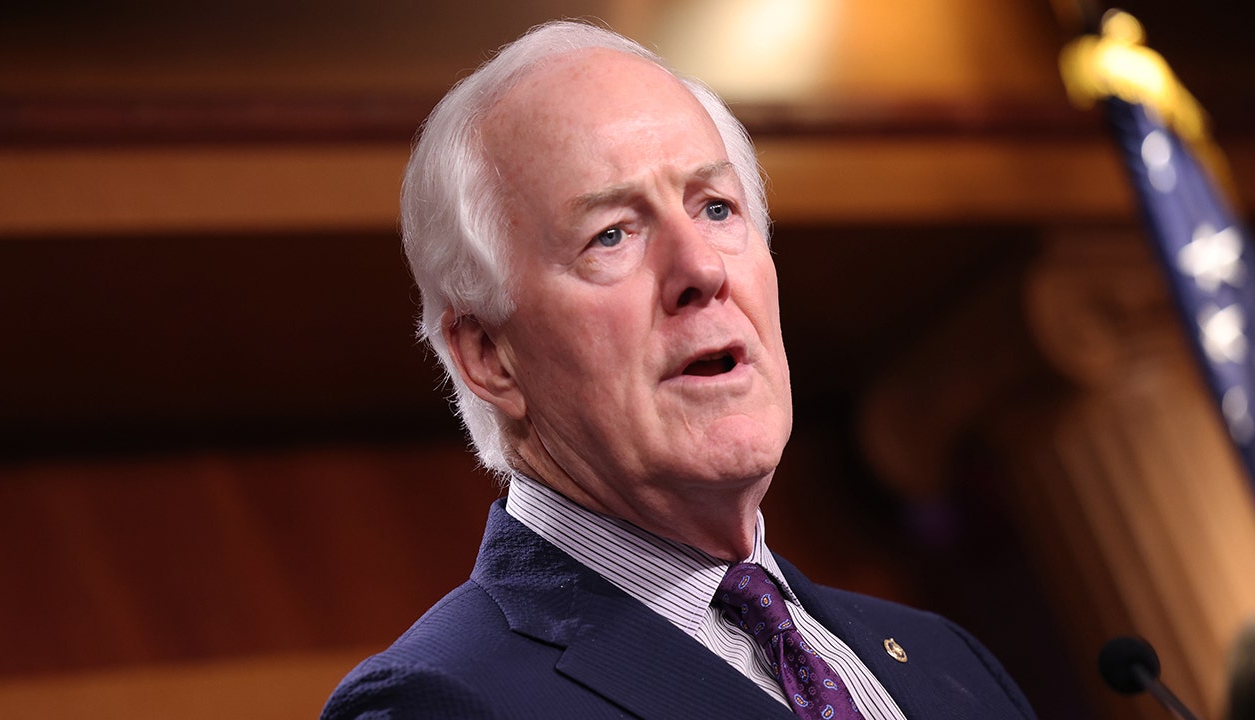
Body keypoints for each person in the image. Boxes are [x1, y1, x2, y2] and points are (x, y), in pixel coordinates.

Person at [322, 19, 1037, 720]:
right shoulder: (439, 704)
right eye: (611, 235)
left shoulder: (948, 661)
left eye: (717, 208)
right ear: (488, 356)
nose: (699, 268)